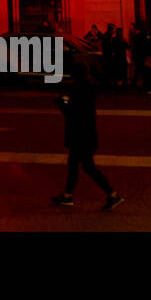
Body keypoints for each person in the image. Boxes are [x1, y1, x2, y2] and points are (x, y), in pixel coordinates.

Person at [51, 61, 124, 210]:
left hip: (80, 135)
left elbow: (73, 113)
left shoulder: (79, 89)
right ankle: (67, 195)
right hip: (86, 134)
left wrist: (62, 103)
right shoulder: (87, 87)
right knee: (75, 165)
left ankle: (112, 194)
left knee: (87, 167)